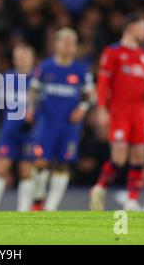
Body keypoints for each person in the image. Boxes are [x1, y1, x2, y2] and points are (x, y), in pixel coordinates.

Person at [89, 14, 144, 211]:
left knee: (140, 156)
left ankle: (132, 200)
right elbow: (103, 83)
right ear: (132, 28)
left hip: (140, 112)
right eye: (143, 28)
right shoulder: (113, 52)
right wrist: (101, 109)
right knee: (119, 157)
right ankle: (99, 188)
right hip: (119, 112)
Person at [27, 28, 95, 211]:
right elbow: (33, 90)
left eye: (72, 43)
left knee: (63, 165)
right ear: (56, 44)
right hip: (47, 122)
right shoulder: (45, 67)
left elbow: (90, 95)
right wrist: (31, 108)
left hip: (69, 125)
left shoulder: (81, 70)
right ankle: (39, 196)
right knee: (40, 161)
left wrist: (83, 108)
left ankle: (51, 207)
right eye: (65, 42)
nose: (69, 46)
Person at [0, 43, 36, 212]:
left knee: (26, 172)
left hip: (31, 133)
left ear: (32, 58)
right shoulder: (6, 78)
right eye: (17, 56)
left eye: (23, 56)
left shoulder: (39, 79)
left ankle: (23, 213)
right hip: (9, 131)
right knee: (0, 169)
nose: (20, 60)